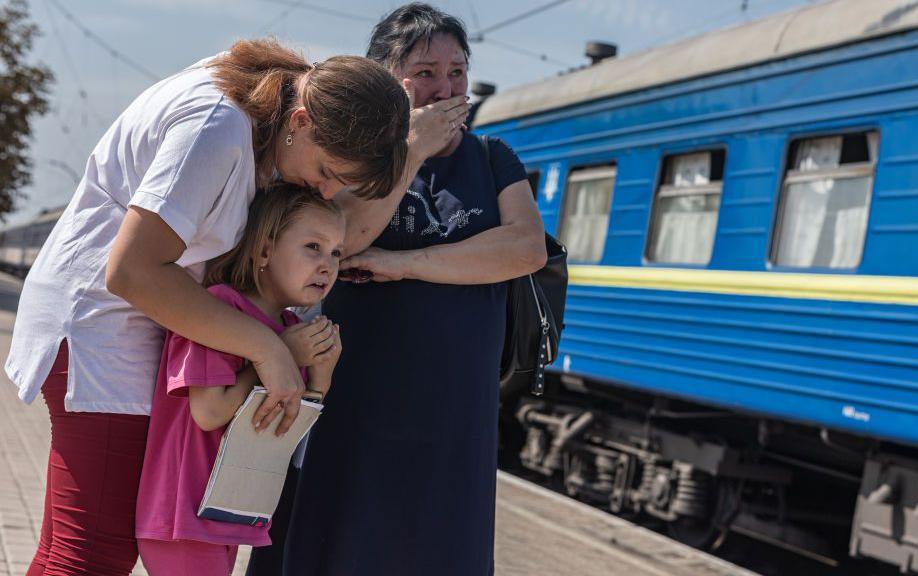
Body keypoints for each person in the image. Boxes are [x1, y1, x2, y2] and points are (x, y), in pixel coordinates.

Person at [6, 36, 467, 575]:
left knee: (84, 543)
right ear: (301, 121)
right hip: (101, 328)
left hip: (126, 325)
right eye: (327, 171)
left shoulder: (260, 115)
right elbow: (131, 269)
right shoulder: (216, 129)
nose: (323, 189)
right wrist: (266, 348)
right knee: (92, 550)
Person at [251, 4, 547, 575]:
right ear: (388, 77)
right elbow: (343, 237)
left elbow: (523, 249)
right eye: (426, 72)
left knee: (437, 541)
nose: (446, 87)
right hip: (353, 387)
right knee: (339, 532)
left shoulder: (493, 158)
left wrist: (405, 263)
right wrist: (410, 148)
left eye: (457, 71)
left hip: (456, 403)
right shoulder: (358, 158)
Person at [135, 184, 343, 576]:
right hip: (183, 517)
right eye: (313, 247)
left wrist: (320, 380)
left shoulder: (290, 328)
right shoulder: (216, 310)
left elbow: (281, 430)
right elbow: (209, 410)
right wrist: (280, 353)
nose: (328, 264)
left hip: (227, 513)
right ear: (264, 250)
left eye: (337, 252)